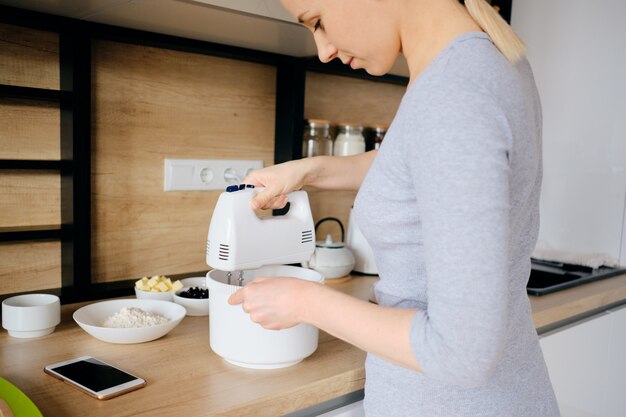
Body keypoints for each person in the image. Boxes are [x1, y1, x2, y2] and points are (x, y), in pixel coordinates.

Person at [228, 0, 561, 415]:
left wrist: (305, 301)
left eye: (317, 21)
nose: (324, 49)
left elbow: (461, 354)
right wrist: (311, 170)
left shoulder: (451, 93)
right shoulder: (483, 57)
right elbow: (421, 160)